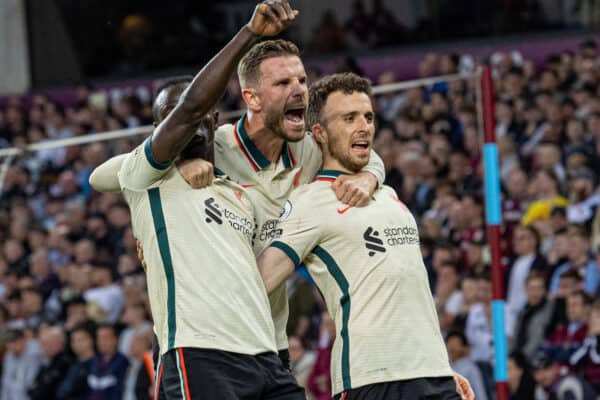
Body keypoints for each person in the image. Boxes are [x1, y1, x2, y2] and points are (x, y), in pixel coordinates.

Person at [110, 2, 305, 398]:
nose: (187, 124)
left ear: (217, 121)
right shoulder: (143, 176)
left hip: (265, 354)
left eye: (201, 116)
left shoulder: (238, 194)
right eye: (171, 118)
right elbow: (190, 108)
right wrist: (250, 33)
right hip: (201, 352)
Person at [257, 73, 472, 399]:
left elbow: (405, 288)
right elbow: (258, 283)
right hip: (370, 380)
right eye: (349, 118)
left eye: (368, 117)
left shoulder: (389, 194)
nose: (364, 126)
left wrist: (435, 365)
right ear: (320, 133)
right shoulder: (310, 202)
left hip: (432, 374)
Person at [28, 326, 72, 400]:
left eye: (46, 343)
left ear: (58, 343)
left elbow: (56, 392)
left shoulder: (65, 364)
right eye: (42, 343)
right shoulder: (47, 361)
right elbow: (32, 387)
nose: (42, 347)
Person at [88, 324, 130, 400]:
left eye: (105, 338)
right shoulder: (94, 361)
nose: (101, 342)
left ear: (115, 340)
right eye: (99, 338)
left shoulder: (123, 362)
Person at [57, 324, 96, 400]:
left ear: (91, 340)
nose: (76, 344)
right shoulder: (72, 364)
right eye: (73, 341)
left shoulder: (97, 364)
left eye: (80, 340)